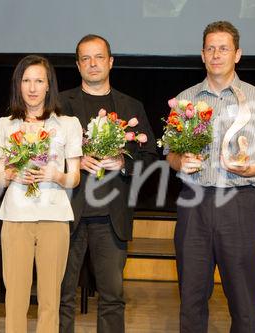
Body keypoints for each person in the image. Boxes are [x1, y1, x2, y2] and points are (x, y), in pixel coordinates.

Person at [166, 21, 255, 332]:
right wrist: (181, 161)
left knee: (244, 301)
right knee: (191, 298)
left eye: (223, 48)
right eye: (210, 48)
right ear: (202, 55)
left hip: (240, 204)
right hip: (194, 205)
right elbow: (169, 154)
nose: (216, 54)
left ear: (238, 54)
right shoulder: (184, 100)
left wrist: (252, 168)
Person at [59, 34, 158, 333]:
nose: (93, 63)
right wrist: (72, 161)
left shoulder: (131, 106)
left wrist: (123, 164)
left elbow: (151, 156)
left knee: (113, 298)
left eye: (99, 57)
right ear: (78, 65)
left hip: (111, 217)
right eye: (86, 58)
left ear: (110, 61)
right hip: (67, 214)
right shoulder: (60, 104)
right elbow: (44, 152)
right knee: (61, 295)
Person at [0, 55, 82, 333]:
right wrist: (11, 174)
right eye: (26, 80)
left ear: (48, 86)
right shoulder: (6, 124)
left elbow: (74, 178)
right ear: (18, 85)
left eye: (39, 81)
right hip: (15, 217)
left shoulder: (68, 124)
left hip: (54, 218)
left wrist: (55, 176)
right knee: (15, 298)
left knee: (49, 300)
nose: (32, 87)